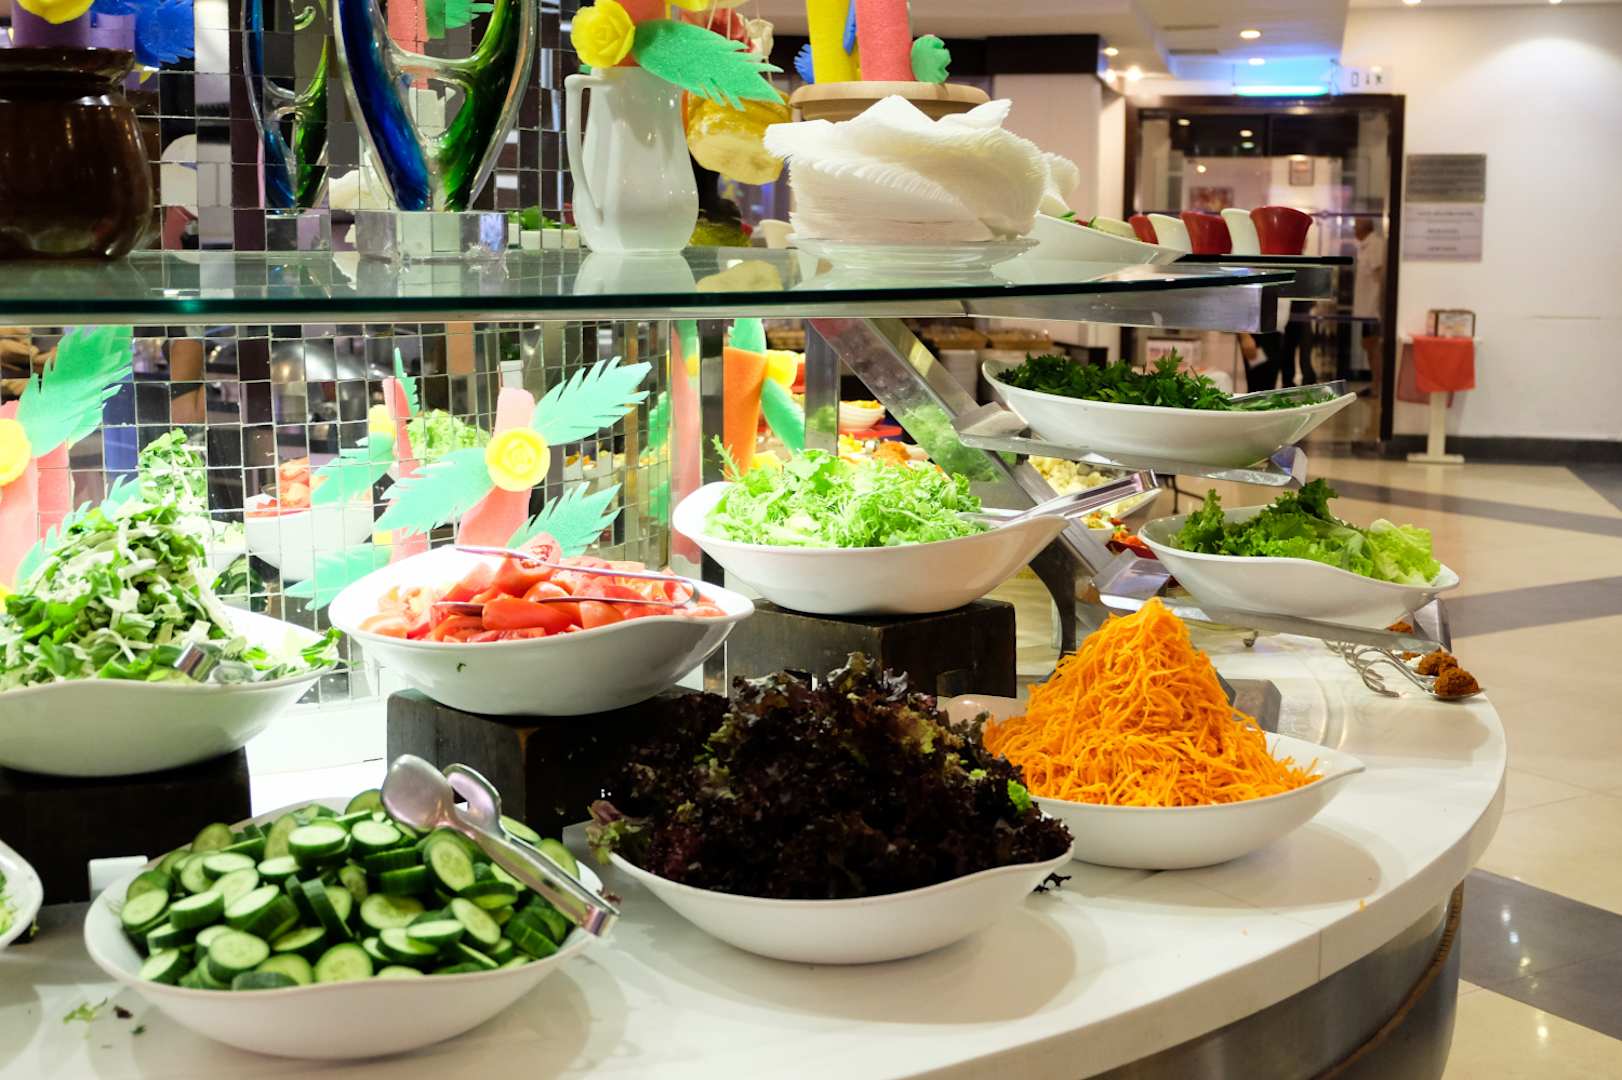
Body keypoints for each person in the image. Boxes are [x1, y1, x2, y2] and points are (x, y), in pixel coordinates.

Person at [1354, 219, 1386, 399]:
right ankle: (1374, 383)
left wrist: (1379, 306)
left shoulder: (1375, 245)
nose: (1353, 229)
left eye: (1356, 226)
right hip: (1365, 309)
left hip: (1373, 309)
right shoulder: (1365, 246)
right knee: (1367, 345)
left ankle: (1377, 385)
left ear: (1364, 228)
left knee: (1373, 346)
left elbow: (1380, 274)